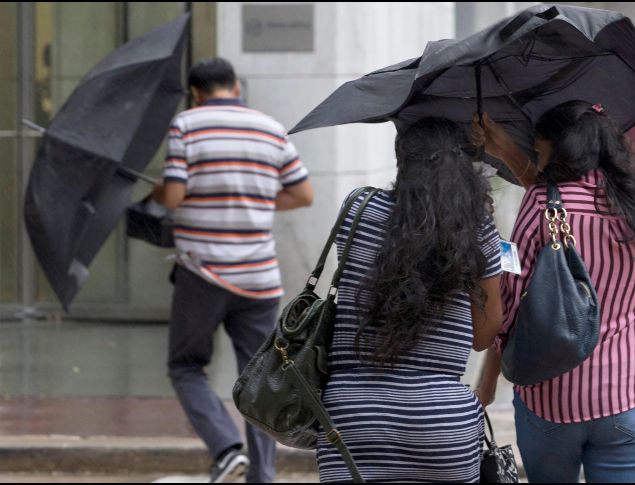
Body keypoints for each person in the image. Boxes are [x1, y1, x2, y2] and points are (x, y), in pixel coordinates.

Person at [473, 101, 635, 483]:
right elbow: (568, 199)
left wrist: (490, 377)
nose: (538, 164)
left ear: (562, 151)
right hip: (624, 395)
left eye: (540, 153)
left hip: (551, 400)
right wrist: (507, 150)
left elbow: (508, 307)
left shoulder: (540, 204)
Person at [153, 57, 314, 483]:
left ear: (195, 92)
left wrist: (159, 187)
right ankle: (263, 474)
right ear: (235, 87)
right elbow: (303, 194)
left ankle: (226, 449)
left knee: (185, 366)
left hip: (202, 272)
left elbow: (172, 198)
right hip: (260, 278)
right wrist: (257, 204)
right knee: (260, 379)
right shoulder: (270, 127)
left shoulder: (186, 125)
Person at [316, 118, 503, 482]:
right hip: (442, 423)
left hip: (352, 417)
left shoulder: (358, 210)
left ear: (400, 160)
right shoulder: (476, 230)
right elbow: (483, 337)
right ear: (460, 167)